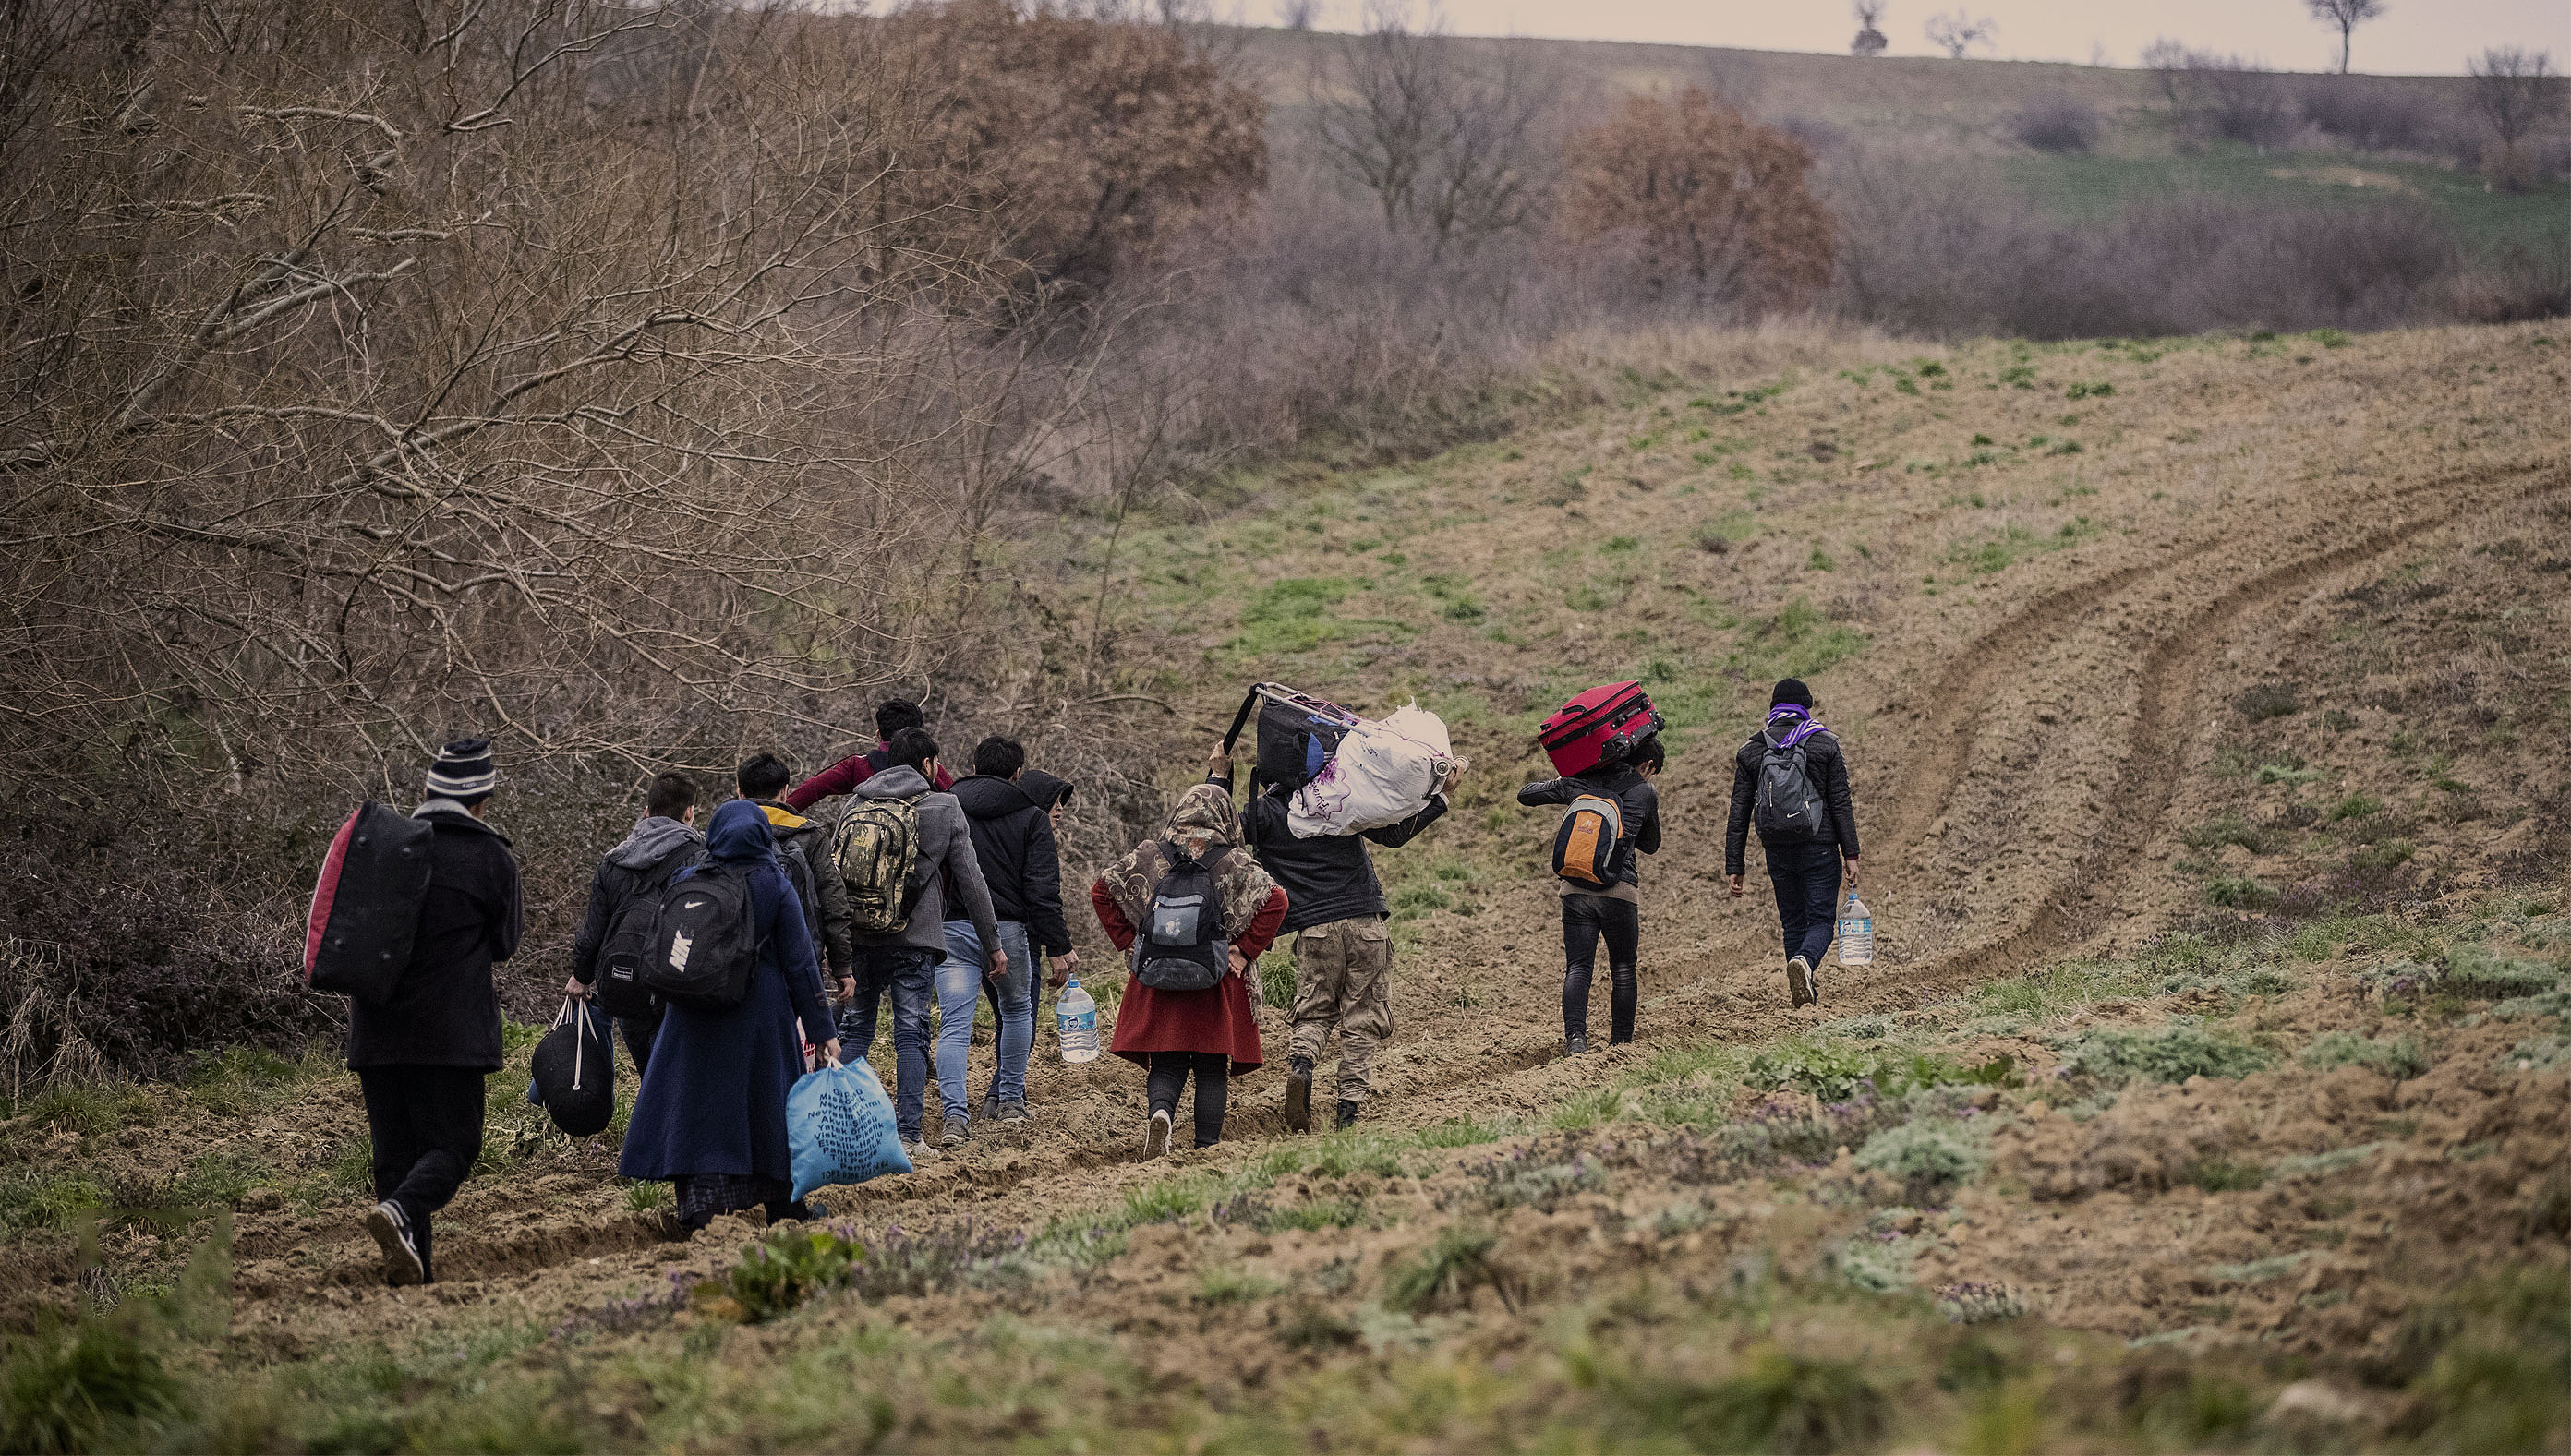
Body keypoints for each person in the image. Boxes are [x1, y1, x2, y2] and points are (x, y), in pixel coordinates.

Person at [1204, 740, 1449, 1134]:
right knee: (1363, 1018)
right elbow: (1396, 834)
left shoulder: (1264, 814)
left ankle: (1302, 1064)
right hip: (1365, 923)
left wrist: (1220, 775)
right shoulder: (1339, 797)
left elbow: (1215, 828)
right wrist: (1441, 796)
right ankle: (1348, 1110)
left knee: (1315, 1011)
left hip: (1314, 930)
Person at [618, 800, 840, 1229]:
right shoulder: (774, 883)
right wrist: (822, 1029)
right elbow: (801, 964)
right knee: (769, 1111)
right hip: (760, 1020)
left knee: (698, 1110)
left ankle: (701, 1210)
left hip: (692, 1017)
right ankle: (784, 1207)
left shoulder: (688, 879)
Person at [352, 738, 524, 1286]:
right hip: (450, 1037)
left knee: (395, 1160)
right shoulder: (490, 856)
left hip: (376, 1030)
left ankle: (410, 1273)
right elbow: (505, 945)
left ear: (425, 792)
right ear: (481, 801)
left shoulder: (385, 846)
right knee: (453, 1147)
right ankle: (401, 1217)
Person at [1092, 783, 1287, 1156]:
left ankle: (1161, 1115)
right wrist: (1244, 951)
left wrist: (1131, 946)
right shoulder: (1233, 860)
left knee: (1166, 1064)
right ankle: (1206, 1148)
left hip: (1159, 978)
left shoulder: (1150, 855)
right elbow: (1277, 900)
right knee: (1212, 1069)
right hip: (1216, 980)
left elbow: (1101, 891)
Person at [836, 727, 1003, 1161]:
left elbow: (836, 876)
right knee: (910, 1034)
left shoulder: (858, 801)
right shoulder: (944, 806)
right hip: (914, 940)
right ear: (928, 766)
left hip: (859, 936)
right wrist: (993, 943)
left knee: (856, 1030)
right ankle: (909, 1134)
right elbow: (971, 880)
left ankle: (844, 1128)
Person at [939, 736, 1078, 1139]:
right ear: (1017, 773)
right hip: (1009, 933)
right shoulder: (1030, 816)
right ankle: (1012, 1102)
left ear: (976, 765)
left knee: (954, 1024)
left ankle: (954, 1117)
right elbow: (1041, 889)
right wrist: (1058, 945)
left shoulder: (947, 805)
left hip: (955, 929)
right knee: (1018, 1011)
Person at [1519, 734, 1663, 1055]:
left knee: (1579, 967)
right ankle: (1621, 1044)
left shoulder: (1580, 781)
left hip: (1575, 890)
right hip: (1620, 891)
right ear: (1648, 764)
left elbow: (1525, 795)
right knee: (1623, 967)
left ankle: (1576, 1040)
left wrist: (1569, 783)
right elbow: (1652, 845)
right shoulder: (1644, 790)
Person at [1726, 678, 1862, 1010]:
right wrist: (1852, 854)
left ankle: (1801, 997)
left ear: (1774, 708)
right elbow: (1840, 802)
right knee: (1820, 922)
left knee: (1793, 923)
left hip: (1777, 850)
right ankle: (1804, 962)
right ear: (1806, 707)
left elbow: (1739, 811)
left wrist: (1735, 865)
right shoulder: (1825, 744)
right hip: (1821, 846)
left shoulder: (1752, 750)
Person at [563, 771, 702, 1076]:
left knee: (649, 1078)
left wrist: (581, 975)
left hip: (625, 982)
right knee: (674, 1082)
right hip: (674, 990)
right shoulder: (699, 859)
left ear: (647, 811)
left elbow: (594, 927)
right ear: (689, 812)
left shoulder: (615, 860)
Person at [737, 753, 855, 1007]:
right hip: (797, 957)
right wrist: (842, 965)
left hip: (733, 954)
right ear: (784, 791)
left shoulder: (722, 832)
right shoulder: (809, 834)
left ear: (740, 793)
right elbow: (832, 899)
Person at [781, 698, 956, 811]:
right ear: (919, 735)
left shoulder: (857, 765)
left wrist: (776, 817)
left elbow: (813, 789)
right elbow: (956, 802)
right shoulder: (930, 766)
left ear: (879, 734)